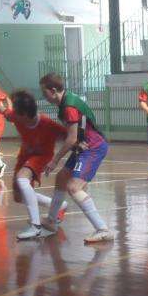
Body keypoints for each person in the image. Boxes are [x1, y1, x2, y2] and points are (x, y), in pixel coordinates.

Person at [0, 90, 70, 239]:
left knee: (22, 178)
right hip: (25, 156)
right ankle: (57, 205)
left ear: (23, 114)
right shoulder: (18, 117)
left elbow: (70, 136)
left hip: (42, 156)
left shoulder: (47, 124)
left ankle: (35, 226)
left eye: (16, 111)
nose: (12, 113)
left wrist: (84, 143)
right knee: (18, 196)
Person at [39, 73, 113, 243]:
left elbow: (71, 139)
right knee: (61, 178)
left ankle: (102, 229)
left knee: (73, 187)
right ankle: (51, 221)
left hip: (93, 147)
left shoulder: (69, 106)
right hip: (84, 145)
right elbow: (77, 131)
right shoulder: (67, 101)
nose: (44, 97)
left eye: (45, 93)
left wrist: (54, 160)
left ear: (53, 90)